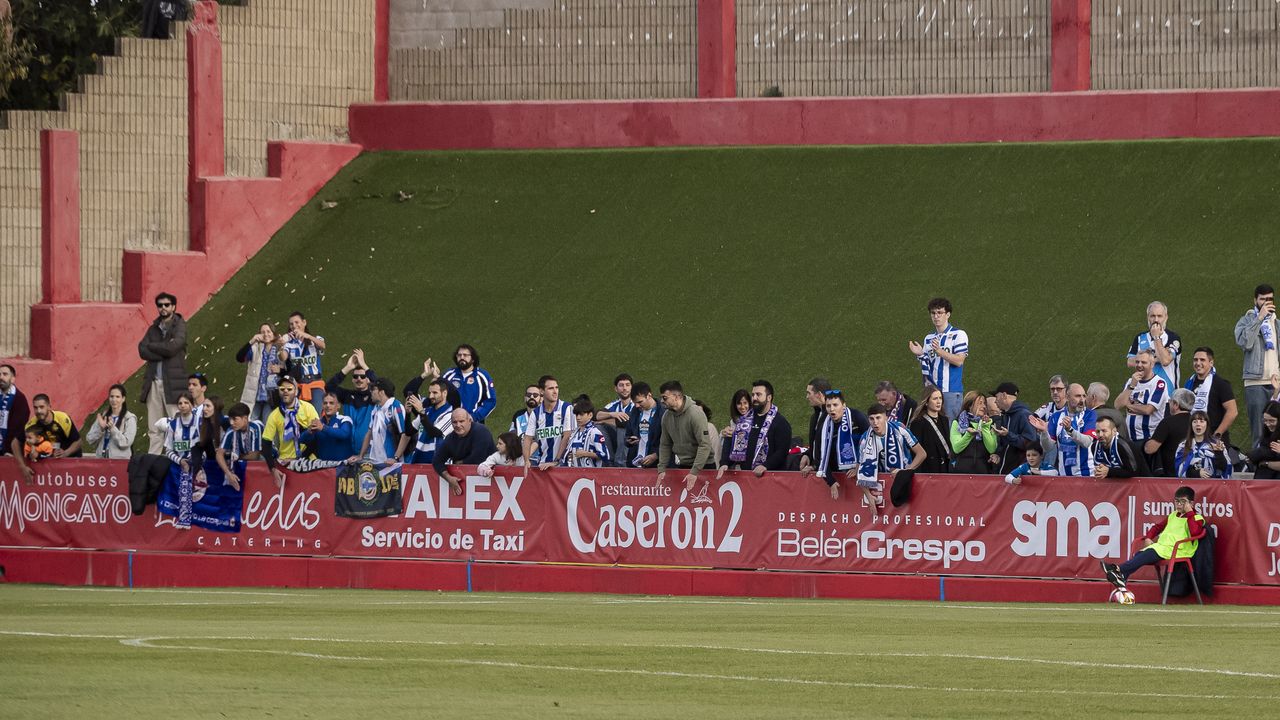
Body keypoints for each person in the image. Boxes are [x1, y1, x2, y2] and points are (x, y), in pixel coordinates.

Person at [1102, 486, 1205, 590]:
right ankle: (1122, 577)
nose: (1179, 504)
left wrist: (1190, 513)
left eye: (1183, 501)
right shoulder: (1173, 515)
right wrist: (1148, 537)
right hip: (1164, 548)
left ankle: (1118, 569)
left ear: (1191, 504)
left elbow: (1195, 532)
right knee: (1140, 553)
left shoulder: (1197, 518)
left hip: (1179, 550)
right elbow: (1157, 527)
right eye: (1177, 501)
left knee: (1149, 551)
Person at [138, 292, 188, 454]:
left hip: (173, 382)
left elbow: (174, 347)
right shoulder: (153, 328)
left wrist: (154, 346)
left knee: (177, 424)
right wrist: (164, 349)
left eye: (167, 305)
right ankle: (153, 461)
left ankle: (181, 459)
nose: (163, 308)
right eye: (160, 305)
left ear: (173, 306)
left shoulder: (180, 325)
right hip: (153, 382)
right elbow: (142, 350)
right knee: (154, 427)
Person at [908, 297, 969, 420]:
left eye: (940, 313)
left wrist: (939, 351)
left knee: (950, 430)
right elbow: (928, 365)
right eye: (933, 313)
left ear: (948, 314)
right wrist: (920, 354)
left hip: (950, 391)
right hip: (932, 392)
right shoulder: (929, 338)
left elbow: (959, 361)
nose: (936, 316)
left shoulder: (959, 334)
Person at [856, 403, 926, 509]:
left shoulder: (900, 430)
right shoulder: (865, 439)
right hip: (881, 485)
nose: (875, 422)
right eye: (871, 419)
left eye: (878, 418)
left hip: (904, 481)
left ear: (886, 418)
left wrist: (905, 473)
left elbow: (921, 454)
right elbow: (860, 469)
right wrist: (868, 495)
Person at [1235, 284, 1277, 449]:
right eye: (1263, 299)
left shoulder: (1277, 324)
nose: (1267, 302)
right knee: (1259, 431)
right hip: (1255, 383)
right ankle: (1259, 469)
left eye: (1270, 299)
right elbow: (1245, 343)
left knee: (1277, 430)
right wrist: (1259, 318)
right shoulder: (1246, 320)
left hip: (1276, 384)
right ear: (1255, 300)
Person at [721, 380, 792, 476]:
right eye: (753, 394)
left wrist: (765, 466)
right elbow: (730, 440)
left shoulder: (780, 423)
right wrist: (725, 463)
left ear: (769, 397)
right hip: (746, 478)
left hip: (770, 478)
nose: (754, 398)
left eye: (758, 394)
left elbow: (782, 451)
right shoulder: (744, 420)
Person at [655, 381, 714, 492]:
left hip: (704, 466)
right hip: (684, 465)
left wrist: (694, 471)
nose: (662, 401)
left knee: (703, 503)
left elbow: (704, 444)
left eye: (665, 397)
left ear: (677, 397)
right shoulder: (666, 417)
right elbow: (665, 444)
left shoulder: (695, 414)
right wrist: (661, 469)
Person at [801, 390, 861, 499]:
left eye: (835, 405)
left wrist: (859, 465)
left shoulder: (856, 417)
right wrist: (831, 481)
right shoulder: (824, 423)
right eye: (828, 406)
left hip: (857, 468)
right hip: (834, 470)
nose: (832, 409)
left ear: (843, 406)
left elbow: (870, 442)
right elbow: (819, 454)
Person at [1030, 383, 1096, 476]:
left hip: (1086, 474)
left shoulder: (1090, 414)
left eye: (1084, 396)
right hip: (1064, 475)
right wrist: (1044, 433)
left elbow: (1087, 442)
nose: (1082, 400)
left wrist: (1070, 430)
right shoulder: (1056, 417)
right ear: (1067, 397)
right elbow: (1047, 447)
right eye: (1078, 396)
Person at [326, 348, 381, 456]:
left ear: (368, 379)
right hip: (347, 451)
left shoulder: (373, 397)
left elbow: (381, 385)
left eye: (363, 376)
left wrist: (364, 365)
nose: (359, 379)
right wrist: (348, 367)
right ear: (352, 379)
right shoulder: (346, 395)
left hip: (369, 452)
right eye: (355, 376)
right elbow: (329, 387)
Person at [433, 408, 498, 496]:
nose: (458, 425)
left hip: (491, 481)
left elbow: (478, 458)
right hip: (465, 486)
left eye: (461, 421)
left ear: (469, 420)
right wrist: (448, 478)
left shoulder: (481, 431)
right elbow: (437, 461)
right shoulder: (450, 438)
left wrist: (461, 462)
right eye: (454, 422)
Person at [1184, 347, 1238, 446]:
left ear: (1211, 363)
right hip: (1193, 437)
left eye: (1202, 360)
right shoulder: (1189, 383)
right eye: (1195, 360)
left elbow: (1232, 411)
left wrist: (1217, 434)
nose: (1198, 363)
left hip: (1214, 437)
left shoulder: (1221, 384)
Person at [1115, 349, 1167, 449]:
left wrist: (1129, 405)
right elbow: (1117, 405)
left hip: (1148, 439)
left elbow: (1148, 410)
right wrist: (1132, 386)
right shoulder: (1131, 381)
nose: (1139, 365)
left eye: (1143, 362)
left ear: (1152, 365)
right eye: (1137, 362)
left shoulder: (1159, 383)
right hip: (1130, 438)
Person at [263, 376, 321, 466]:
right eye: (282, 389)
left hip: (307, 460)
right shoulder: (274, 415)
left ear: (296, 391)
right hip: (285, 461)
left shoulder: (307, 408)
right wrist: (273, 469)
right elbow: (266, 443)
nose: (285, 391)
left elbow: (317, 436)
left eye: (289, 389)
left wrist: (297, 459)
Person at [522, 375, 574, 471]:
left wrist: (556, 461)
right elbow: (527, 438)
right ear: (542, 391)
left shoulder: (566, 408)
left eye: (556, 388)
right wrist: (526, 461)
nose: (555, 391)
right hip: (543, 465)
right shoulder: (536, 413)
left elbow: (567, 436)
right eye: (551, 388)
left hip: (564, 465)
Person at [236, 322, 283, 425]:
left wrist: (280, 370)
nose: (266, 334)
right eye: (262, 332)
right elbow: (239, 358)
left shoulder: (280, 348)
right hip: (254, 395)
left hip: (271, 396)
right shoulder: (255, 348)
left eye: (268, 331)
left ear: (274, 334)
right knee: (248, 423)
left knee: (268, 425)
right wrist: (251, 341)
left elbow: (288, 369)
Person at [279, 311, 326, 413]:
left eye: (297, 322)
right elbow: (283, 358)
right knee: (300, 417)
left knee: (316, 414)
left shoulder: (314, 339)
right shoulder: (289, 344)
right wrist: (281, 345)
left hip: (315, 383)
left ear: (304, 322)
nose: (294, 326)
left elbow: (323, 345)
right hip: (298, 385)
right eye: (291, 324)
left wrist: (307, 336)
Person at [1126, 301, 1182, 387]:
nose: (1156, 320)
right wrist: (1154, 358)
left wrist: (1156, 338)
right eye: (1152, 316)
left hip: (1168, 392)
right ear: (1148, 317)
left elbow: (1165, 360)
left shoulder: (1173, 338)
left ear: (1166, 317)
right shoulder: (1140, 337)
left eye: (1159, 316)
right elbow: (1130, 362)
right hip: (1144, 391)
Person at [400, 378, 454, 464]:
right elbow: (409, 431)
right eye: (429, 393)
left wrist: (421, 412)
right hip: (419, 459)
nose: (431, 396)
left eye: (435, 393)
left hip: (438, 463)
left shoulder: (450, 414)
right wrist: (408, 413)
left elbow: (435, 433)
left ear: (444, 393)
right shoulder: (427, 411)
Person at [1145, 388, 1196, 477]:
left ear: (1176, 405)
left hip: (1171, 475)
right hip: (1193, 472)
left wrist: (1145, 443)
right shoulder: (1198, 423)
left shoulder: (1167, 422)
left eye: (1170, 402)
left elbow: (1150, 449)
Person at [440, 344, 497, 423]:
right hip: (449, 423)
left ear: (473, 359)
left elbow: (491, 401)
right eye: (459, 355)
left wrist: (474, 417)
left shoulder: (482, 376)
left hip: (473, 423)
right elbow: (438, 397)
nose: (462, 357)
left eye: (465, 355)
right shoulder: (448, 374)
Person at [354, 377, 405, 464]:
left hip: (392, 464)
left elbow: (405, 434)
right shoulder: (376, 409)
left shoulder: (396, 407)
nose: (371, 392)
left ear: (381, 392)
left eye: (373, 389)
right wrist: (360, 456)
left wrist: (396, 458)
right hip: (377, 461)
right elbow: (369, 433)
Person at [217, 402, 266, 491]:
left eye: (235, 419)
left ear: (245, 418)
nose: (231, 423)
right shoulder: (231, 430)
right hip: (247, 459)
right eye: (230, 419)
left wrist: (236, 456)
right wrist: (228, 473)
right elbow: (219, 454)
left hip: (268, 458)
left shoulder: (255, 427)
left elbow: (255, 456)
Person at [992, 382, 1037, 475]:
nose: (995, 401)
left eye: (996, 397)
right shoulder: (1006, 416)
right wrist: (997, 454)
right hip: (1007, 472)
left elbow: (1031, 443)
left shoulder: (1024, 415)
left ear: (1004, 395)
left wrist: (1008, 435)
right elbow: (1004, 444)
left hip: (1019, 474)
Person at [85, 384, 138, 460]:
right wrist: (101, 429)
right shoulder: (104, 416)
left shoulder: (130, 418)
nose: (114, 400)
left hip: (119, 462)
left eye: (117, 397)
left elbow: (126, 443)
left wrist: (113, 429)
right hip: (101, 460)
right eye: (111, 396)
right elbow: (90, 439)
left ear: (123, 399)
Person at [949, 391, 996, 474]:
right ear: (970, 405)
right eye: (980, 403)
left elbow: (992, 449)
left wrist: (985, 427)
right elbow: (956, 448)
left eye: (984, 403)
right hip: (961, 473)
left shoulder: (989, 423)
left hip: (984, 472)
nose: (984, 406)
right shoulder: (957, 423)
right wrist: (969, 435)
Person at [908, 385, 951, 474]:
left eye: (940, 398)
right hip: (928, 469)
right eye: (935, 399)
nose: (939, 402)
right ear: (926, 402)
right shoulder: (918, 423)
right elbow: (915, 451)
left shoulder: (944, 419)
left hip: (945, 469)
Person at [300, 392, 354, 462]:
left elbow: (344, 434)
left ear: (338, 406)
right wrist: (309, 432)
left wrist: (323, 428)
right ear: (322, 405)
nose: (328, 406)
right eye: (325, 403)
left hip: (342, 467)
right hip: (323, 468)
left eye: (331, 403)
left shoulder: (344, 419)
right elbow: (302, 440)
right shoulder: (318, 422)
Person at [1175, 411, 1231, 479]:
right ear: (1191, 425)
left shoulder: (1217, 444)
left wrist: (1219, 453)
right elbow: (1178, 469)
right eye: (1195, 422)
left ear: (1207, 425)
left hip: (1214, 486)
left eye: (1201, 421)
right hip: (1191, 486)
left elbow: (1225, 469)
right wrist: (1196, 473)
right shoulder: (1183, 445)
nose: (1198, 424)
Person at [24, 394, 82, 458]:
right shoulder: (31, 425)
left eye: (41, 407)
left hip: (70, 459)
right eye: (35, 408)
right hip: (47, 460)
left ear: (49, 407)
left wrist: (66, 453)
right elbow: (25, 445)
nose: (38, 411)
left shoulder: (62, 419)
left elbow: (78, 442)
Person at [560, 397, 610, 468]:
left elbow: (605, 455)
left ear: (590, 415)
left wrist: (586, 453)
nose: (578, 418)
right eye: (577, 414)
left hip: (591, 475)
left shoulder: (594, 432)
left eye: (581, 414)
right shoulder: (574, 433)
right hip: (575, 474)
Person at [595, 373, 633, 467]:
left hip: (634, 440)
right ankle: (609, 461)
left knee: (623, 428)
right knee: (598, 426)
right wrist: (611, 414)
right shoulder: (613, 405)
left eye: (627, 385)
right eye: (621, 385)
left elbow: (625, 422)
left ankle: (620, 463)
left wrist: (606, 420)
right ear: (616, 389)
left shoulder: (637, 404)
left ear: (632, 387)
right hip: (617, 440)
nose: (624, 388)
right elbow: (595, 416)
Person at [156, 392, 200, 472]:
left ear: (192, 405)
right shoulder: (172, 425)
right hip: (177, 468)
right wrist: (180, 461)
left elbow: (205, 448)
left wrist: (193, 461)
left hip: (198, 467)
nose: (183, 405)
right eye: (180, 403)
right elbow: (168, 451)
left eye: (186, 403)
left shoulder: (200, 423)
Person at [624, 382, 664, 468]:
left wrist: (656, 455)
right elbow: (627, 435)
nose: (637, 405)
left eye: (640, 402)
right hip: (636, 465)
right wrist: (629, 440)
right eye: (634, 402)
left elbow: (671, 441)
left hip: (656, 465)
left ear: (649, 395)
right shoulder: (634, 412)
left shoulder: (663, 412)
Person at [0, 363, 31, 460]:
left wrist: (8, 450)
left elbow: (18, 429)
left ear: (13, 379)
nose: (1, 377)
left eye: (5, 374)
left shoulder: (19, 399)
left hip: (10, 453)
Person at [718, 389, 750, 470]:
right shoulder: (734, 421)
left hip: (751, 461)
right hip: (735, 461)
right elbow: (725, 443)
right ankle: (724, 464)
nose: (742, 407)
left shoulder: (756, 419)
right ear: (735, 405)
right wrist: (723, 433)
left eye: (745, 403)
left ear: (750, 403)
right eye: (739, 403)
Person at [1247, 402, 1280, 478]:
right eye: (1265, 420)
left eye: (1272, 421)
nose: (1268, 424)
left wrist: (1266, 463)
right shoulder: (1267, 434)